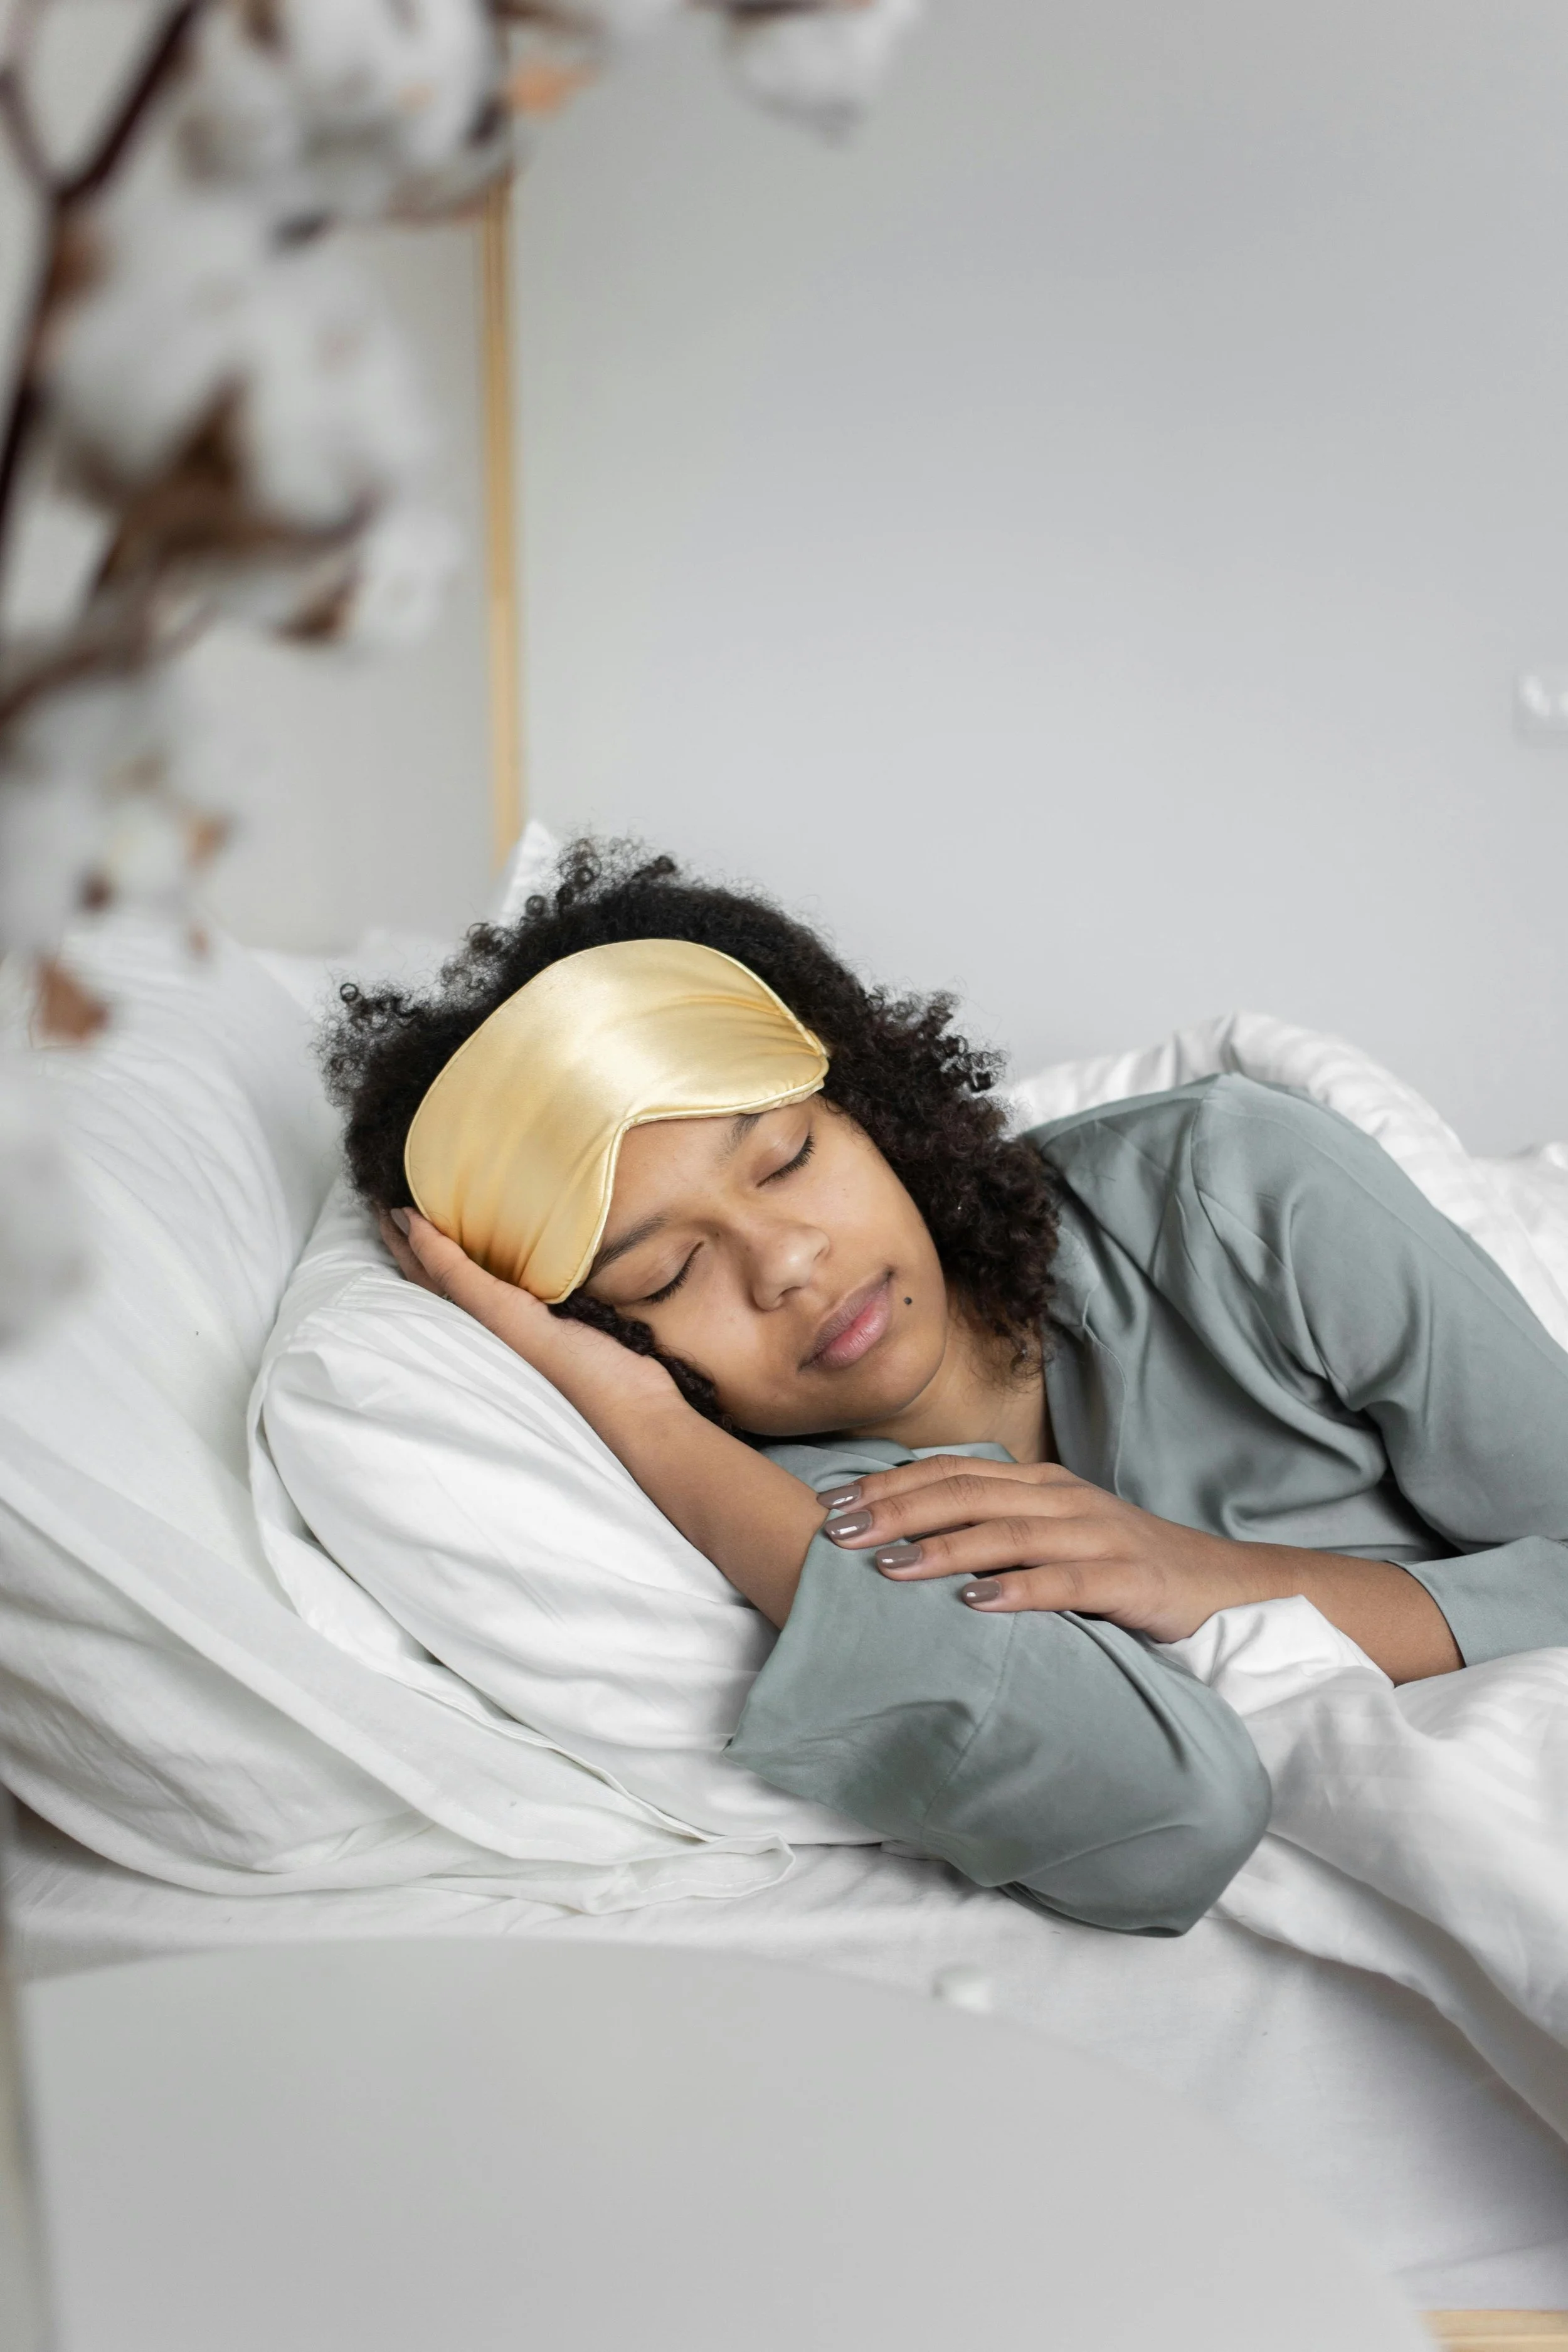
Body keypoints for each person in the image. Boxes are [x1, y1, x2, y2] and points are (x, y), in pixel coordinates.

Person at [324, 840, 1568, 1937]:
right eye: (672, 1271)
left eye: (788, 1157)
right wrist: (642, 1420)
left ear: (873, 1105)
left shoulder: (1226, 1184)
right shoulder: (806, 1504)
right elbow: (1162, 1820)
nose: (790, 1264)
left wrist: (1215, 1581)